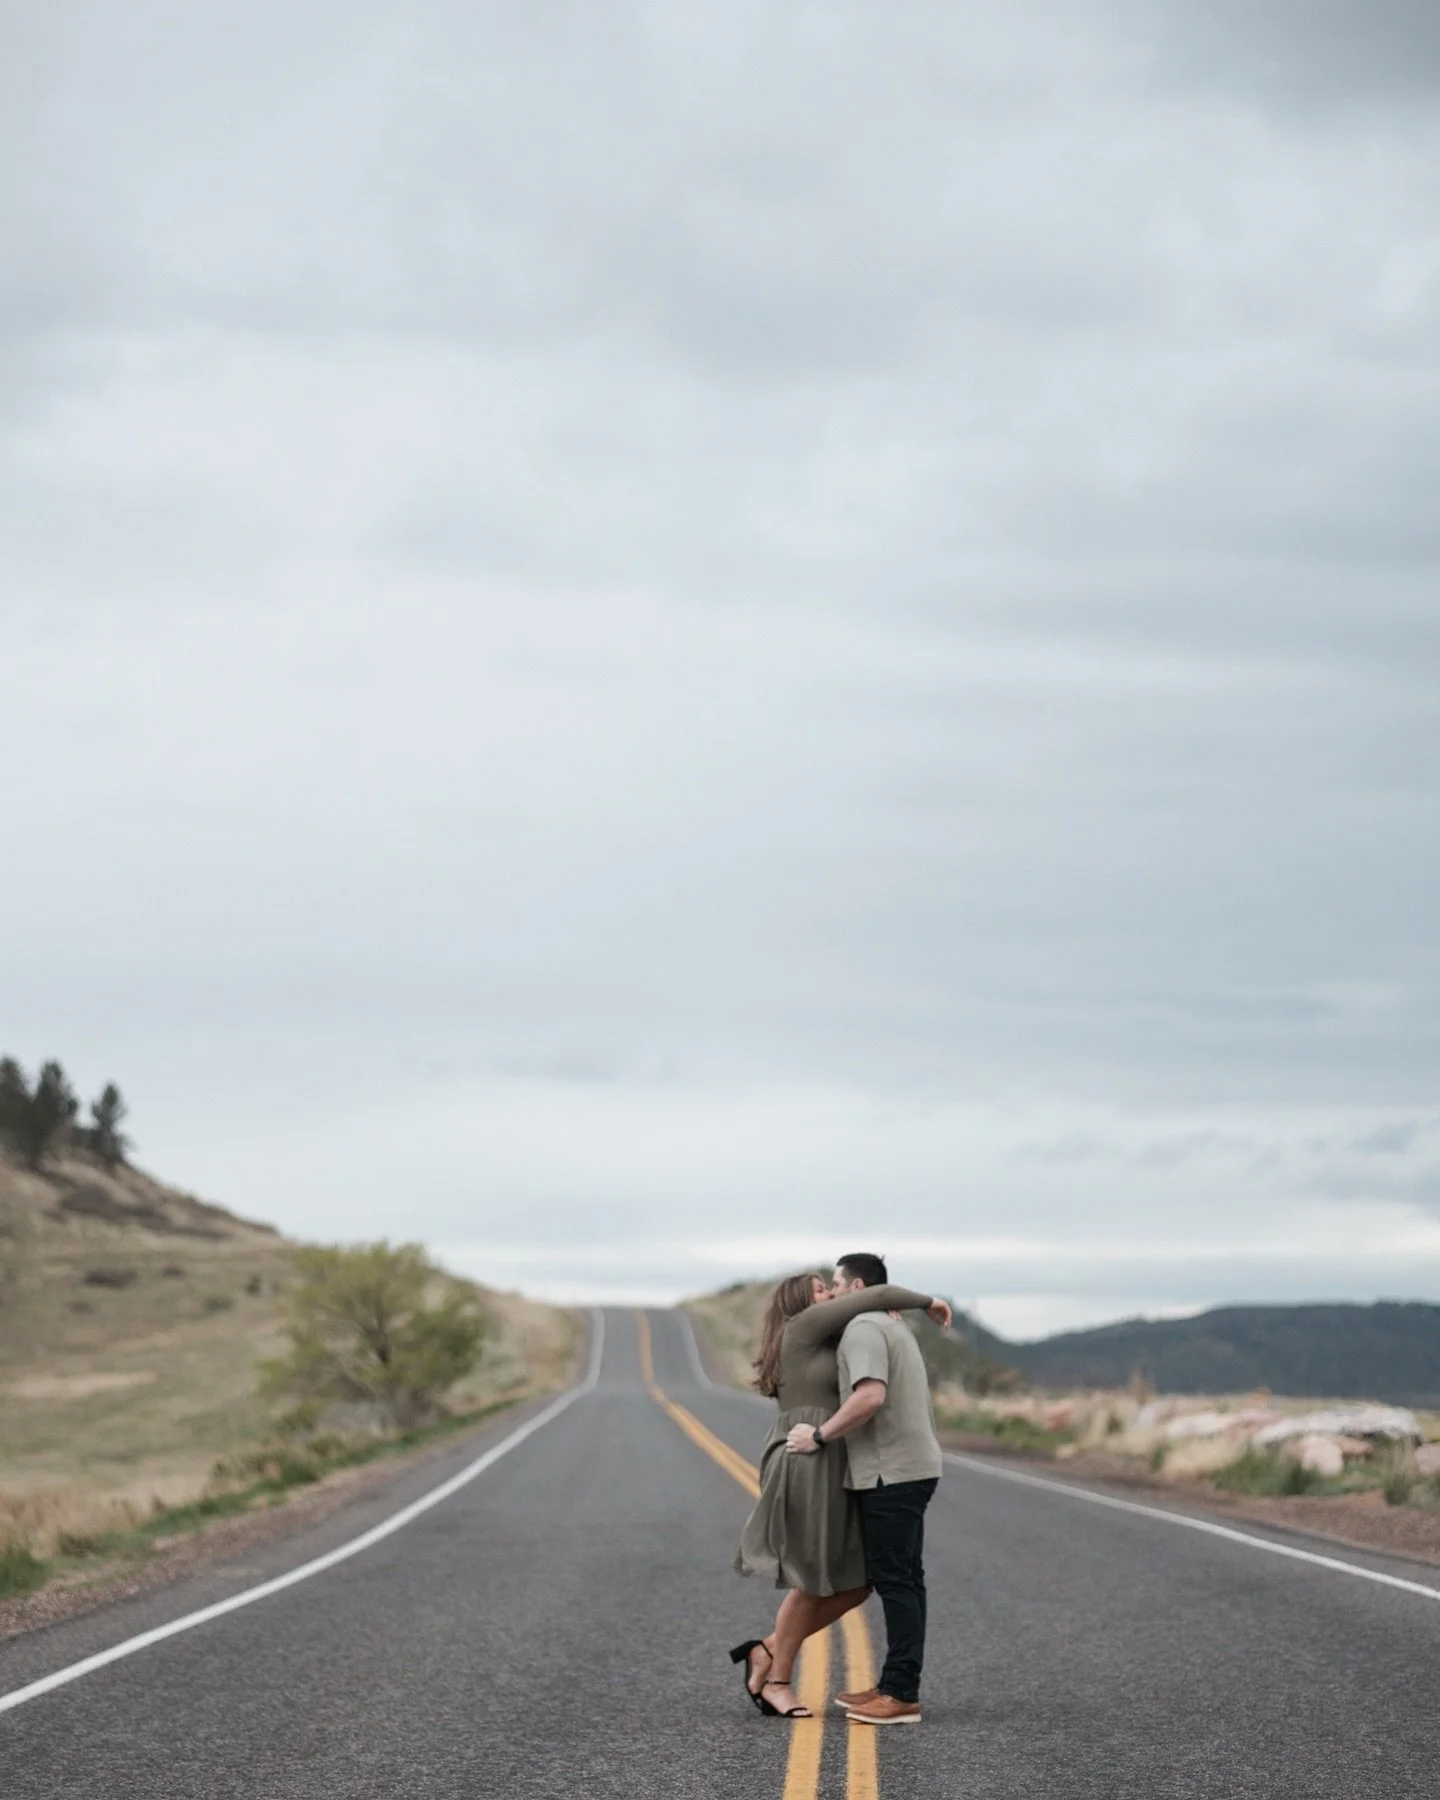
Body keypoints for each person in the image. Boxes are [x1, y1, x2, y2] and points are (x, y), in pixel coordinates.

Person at [731, 1269, 948, 1719]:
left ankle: (767, 1650)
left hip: (832, 1457)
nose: (831, 1294)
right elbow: (878, 1292)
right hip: (807, 1456)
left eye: (831, 1287)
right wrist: (928, 1302)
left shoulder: (829, 1337)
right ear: (798, 1301)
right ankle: (777, 1682)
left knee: (857, 1582)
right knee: (813, 1578)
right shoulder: (803, 1326)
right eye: (821, 1290)